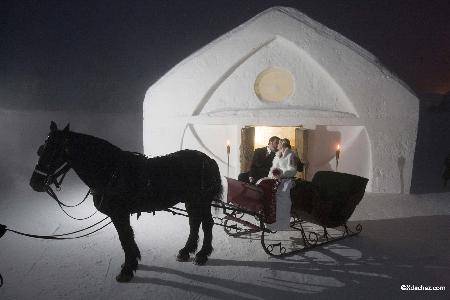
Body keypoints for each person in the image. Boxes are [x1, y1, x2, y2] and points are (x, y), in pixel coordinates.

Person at [266, 138, 298, 231]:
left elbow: (292, 170)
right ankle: (271, 220)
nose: (277, 145)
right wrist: (271, 176)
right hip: (276, 179)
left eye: (279, 143)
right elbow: (273, 168)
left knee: (281, 195)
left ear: (283, 144)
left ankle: (282, 223)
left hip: (286, 180)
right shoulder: (277, 155)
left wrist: (281, 174)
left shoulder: (291, 155)